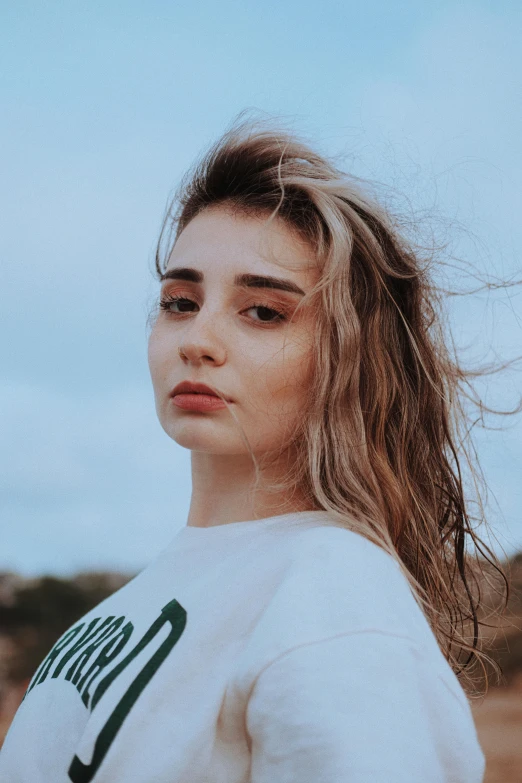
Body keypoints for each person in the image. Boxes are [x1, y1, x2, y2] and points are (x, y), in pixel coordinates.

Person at [2, 112, 505, 782]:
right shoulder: (145, 597)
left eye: (264, 311)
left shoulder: (331, 595)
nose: (197, 338)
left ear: (345, 359)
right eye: (180, 300)